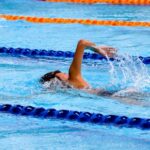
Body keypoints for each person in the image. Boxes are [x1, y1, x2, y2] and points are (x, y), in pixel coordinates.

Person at [40, 39, 117, 96]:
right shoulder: (72, 78)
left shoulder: (73, 88)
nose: (64, 73)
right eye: (59, 73)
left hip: (110, 96)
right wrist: (99, 50)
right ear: (56, 79)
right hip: (115, 95)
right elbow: (82, 43)